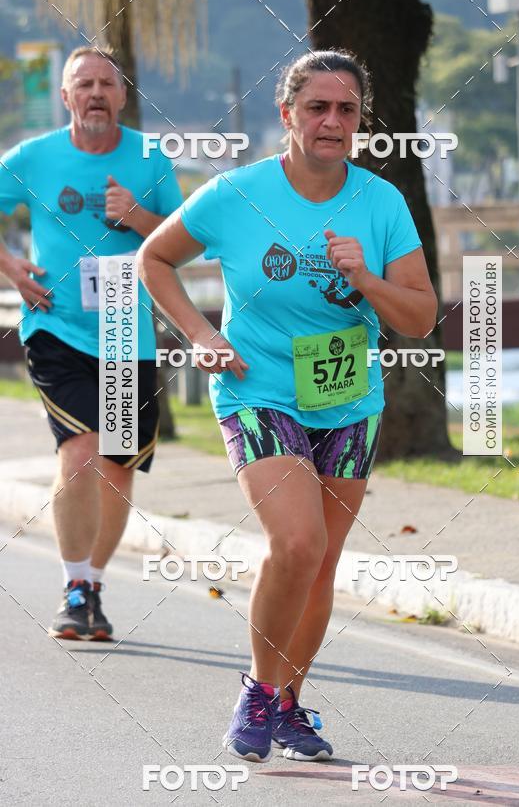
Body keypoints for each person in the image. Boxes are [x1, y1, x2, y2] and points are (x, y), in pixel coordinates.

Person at [138, 50, 437, 762]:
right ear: (287, 114)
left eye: (347, 110)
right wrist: (202, 335)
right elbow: (153, 258)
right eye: (317, 107)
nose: (332, 121)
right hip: (258, 389)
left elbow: (422, 317)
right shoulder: (235, 193)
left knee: (322, 562)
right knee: (297, 543)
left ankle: (288, 703)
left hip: (347, 398)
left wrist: (365, 278)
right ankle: (259, 690)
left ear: (361, 121)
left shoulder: (382, 203)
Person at [0, 46, 182, 640]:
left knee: (116, 470)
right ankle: (74, 585)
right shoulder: (35, 157)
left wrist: (138, 218)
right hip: (58, 328)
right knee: (81, 452)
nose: (96, 93)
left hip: (127, 331)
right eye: (84, 84)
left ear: (123, 95)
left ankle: (93, 588)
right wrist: (10, 266)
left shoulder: (151, 157)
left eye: (107, 83)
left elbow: (187, 239)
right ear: (66, 96)